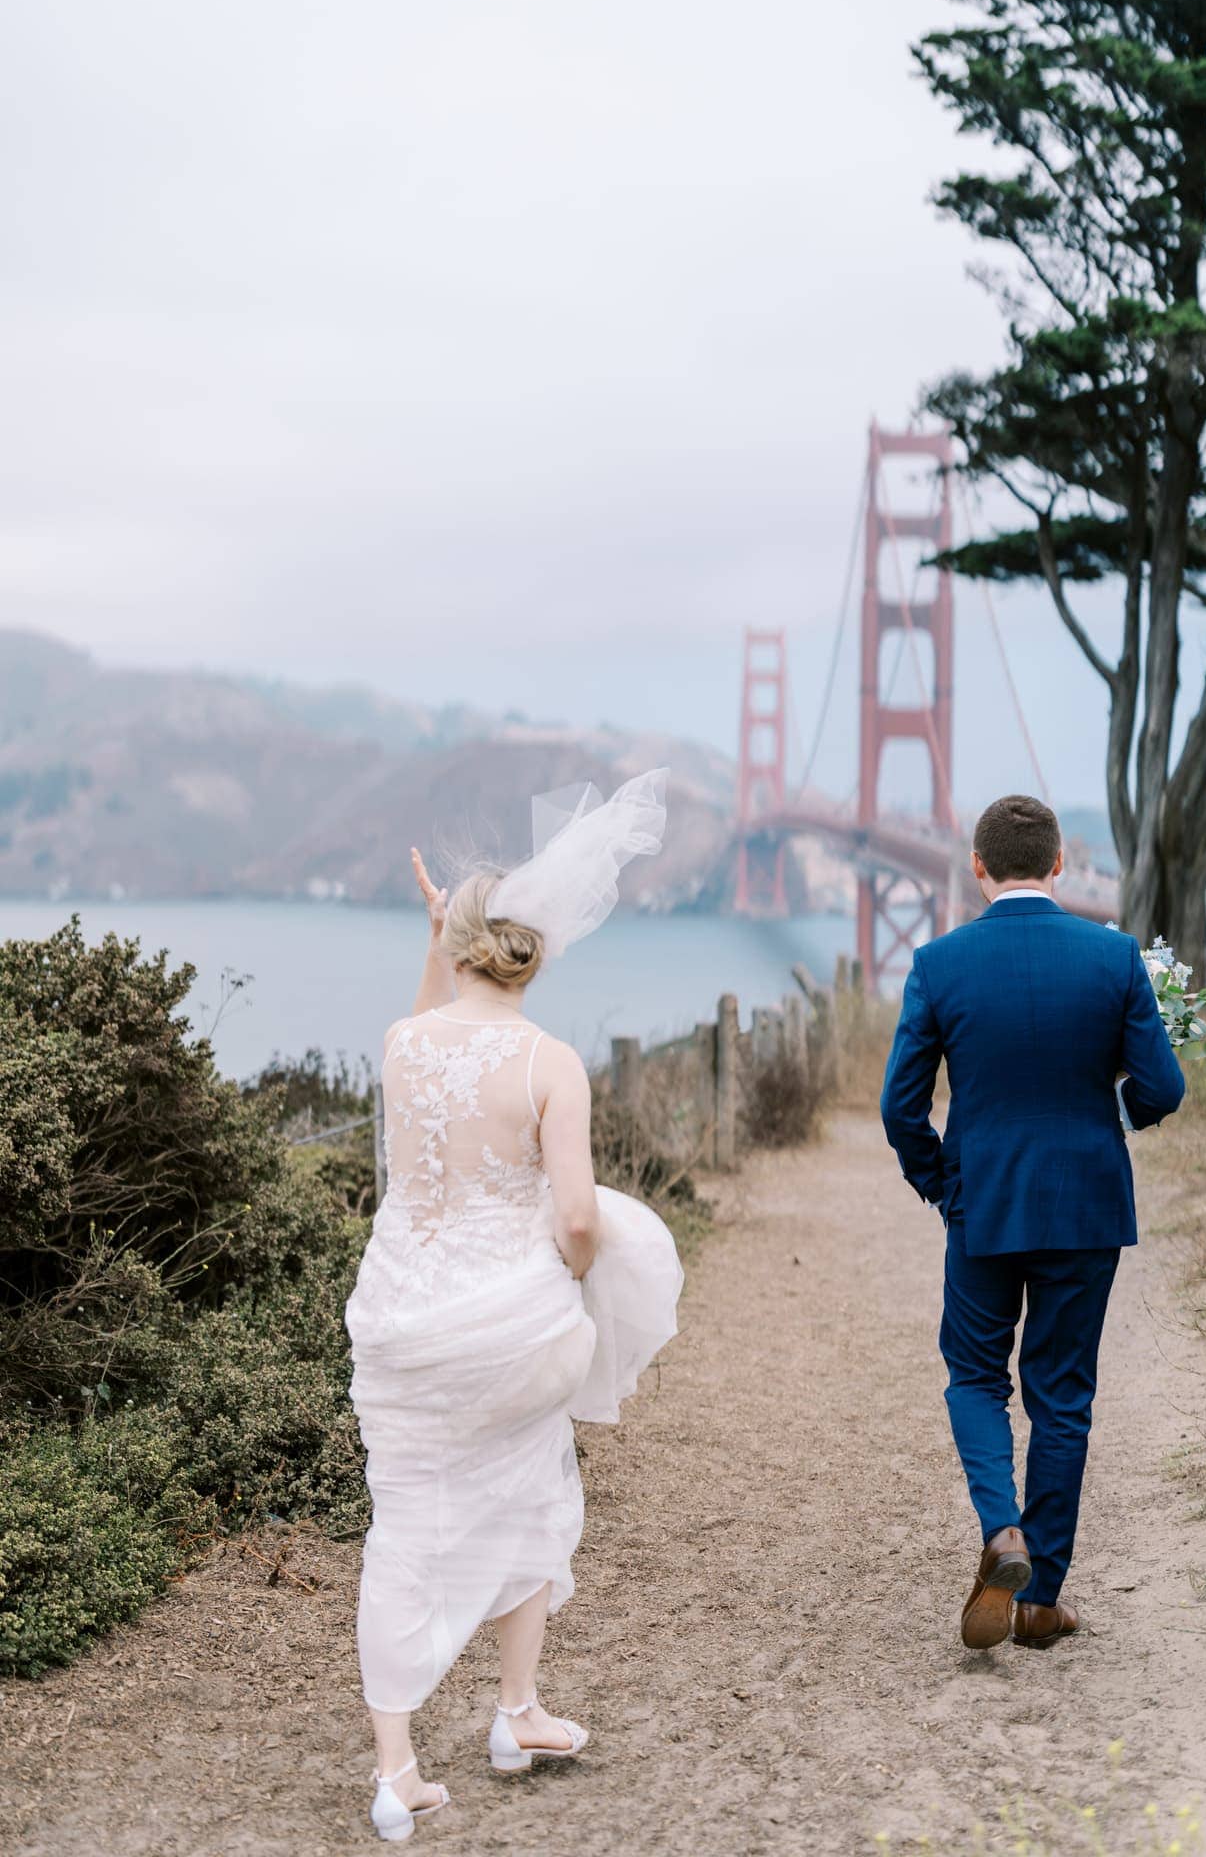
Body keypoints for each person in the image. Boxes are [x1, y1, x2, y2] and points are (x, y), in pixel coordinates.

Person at [345, 769, 682, 1841]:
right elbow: (576, 1218)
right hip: (508, 1320)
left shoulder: (405, 1045)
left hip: (399, 1319)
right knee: (536, 1487)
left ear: (457, 943)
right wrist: (579, 1269)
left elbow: (420, 1030)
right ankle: (514, 1708)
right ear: (535, 948)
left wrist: (431, 931)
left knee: (403, 1527)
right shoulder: (550, 1062)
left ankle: (396, 1770)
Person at [880, 793, 1185, 1652]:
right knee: (1062, 1396)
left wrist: (945, 1183)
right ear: (1059, 865)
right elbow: (1163, 1089)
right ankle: (1040, 1601)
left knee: (975, 1377)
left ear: (978, 867)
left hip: (984, 1206)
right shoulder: (1115, 957)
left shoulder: (940, 964)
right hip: (1087, 1206)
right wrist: (1106, 1122)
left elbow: (901, 1109)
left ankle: (1000, 1531)